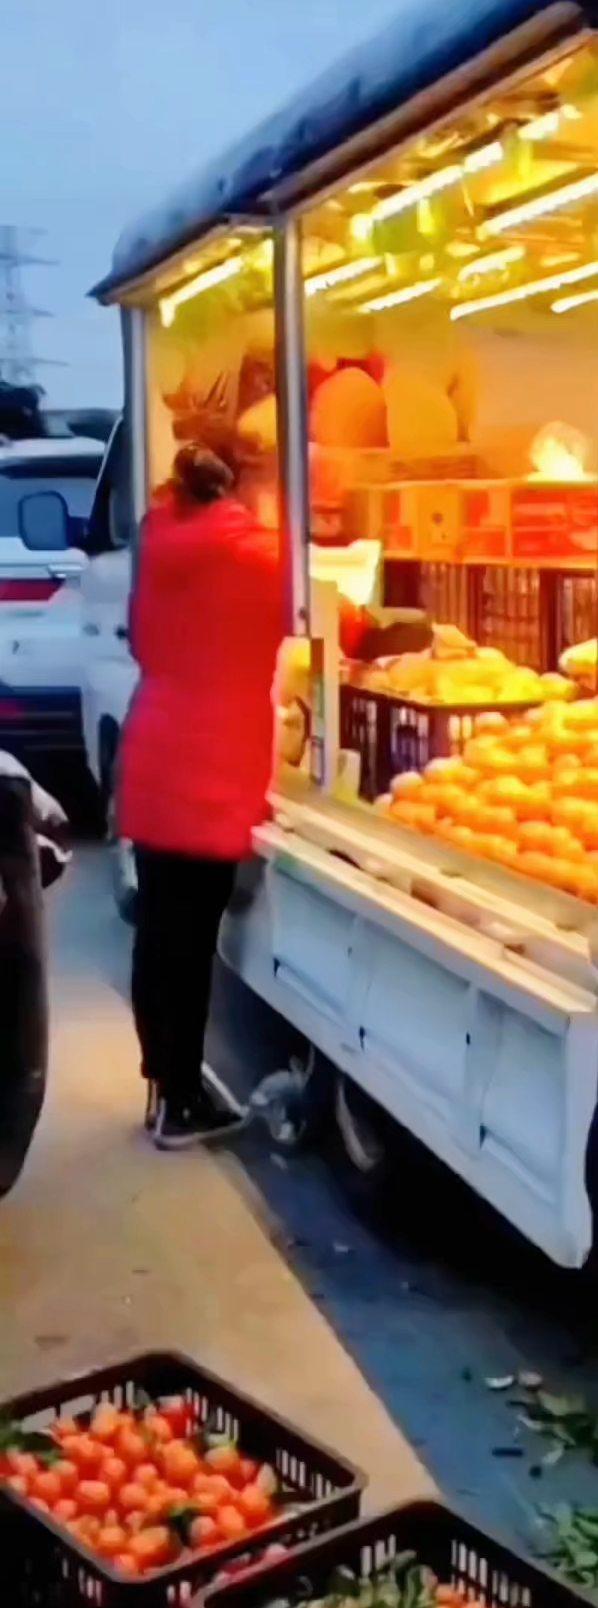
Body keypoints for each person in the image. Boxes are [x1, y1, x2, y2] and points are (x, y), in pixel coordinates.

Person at [117, 443, 284, 1149]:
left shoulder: (163, 542)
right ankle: (181, 1100)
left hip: (157, 748)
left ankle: (166, 1084)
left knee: (161, 937)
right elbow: (325, 618)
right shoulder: (253, 555)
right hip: (211, 765)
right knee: (186, 945)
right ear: (246, 483)